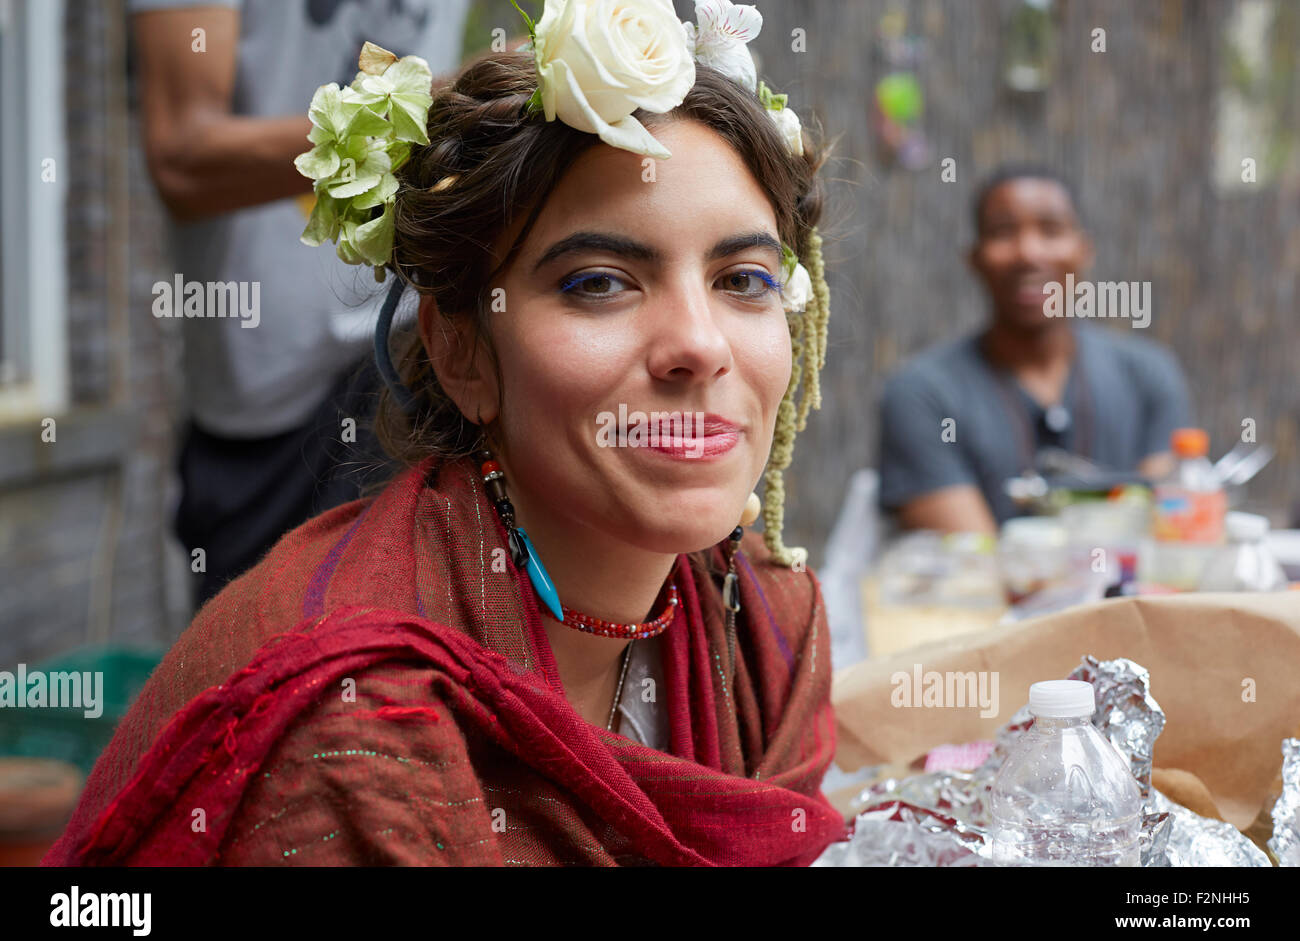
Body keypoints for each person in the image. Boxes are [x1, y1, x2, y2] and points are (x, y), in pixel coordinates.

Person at [45, 2, 845, 866]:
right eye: (600, 283)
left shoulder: (766, 624)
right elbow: (183, 150)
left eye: (745, 278)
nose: (699, 343)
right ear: (460, 350)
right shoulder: (357, 734)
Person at [130, 0, 470, 606]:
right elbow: (183, 158)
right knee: (257, 677)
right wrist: (441, 105)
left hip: (410, 342)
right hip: (270, 399)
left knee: (410, 668)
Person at [878, 164, 1193, 532]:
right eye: (1003, 232)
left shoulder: (1148, 374)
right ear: (975, 259)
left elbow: (1164, 529)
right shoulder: (922, 394)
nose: (1028, 252)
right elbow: (972, 562)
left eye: (1051, 229)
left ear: (1083, 250)